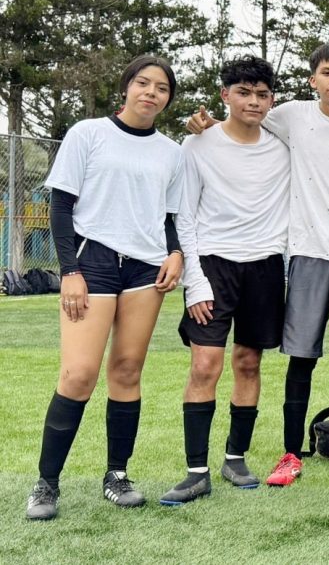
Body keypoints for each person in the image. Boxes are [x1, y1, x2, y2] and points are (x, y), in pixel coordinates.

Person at [187, 44, 329, 484]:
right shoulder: (291, 115)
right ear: (312, 80)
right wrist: (198, 121)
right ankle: (290, 453)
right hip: (305, 253)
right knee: (301, 357)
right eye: (327, 73)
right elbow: (237, 115)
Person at [27, 55, 184, 520]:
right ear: (126, 87)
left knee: (128, 370)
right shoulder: (88, 133)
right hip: (92, 261)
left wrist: (175, 253)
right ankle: (46, 483)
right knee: (77, 374)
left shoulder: (172, 152)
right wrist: (69, 269)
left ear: (168, 98)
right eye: (143, 83)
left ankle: (117, 475)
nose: (151, 93)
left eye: (161, 88)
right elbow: (61, 206)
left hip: (145, 268)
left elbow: (171, 216)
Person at [160, 56, 288, 504]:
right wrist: (195, 282)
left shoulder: (282, 142)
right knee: (204, 366)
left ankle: (236, 458)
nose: (253, 102)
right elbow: (185, 217)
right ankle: (196, 471)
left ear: (272, 99)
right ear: (224, 95)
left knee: (249, 363)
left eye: (262, 94)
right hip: (213, 267)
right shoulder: (196, 145)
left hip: (266, 268)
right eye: (243, 93)